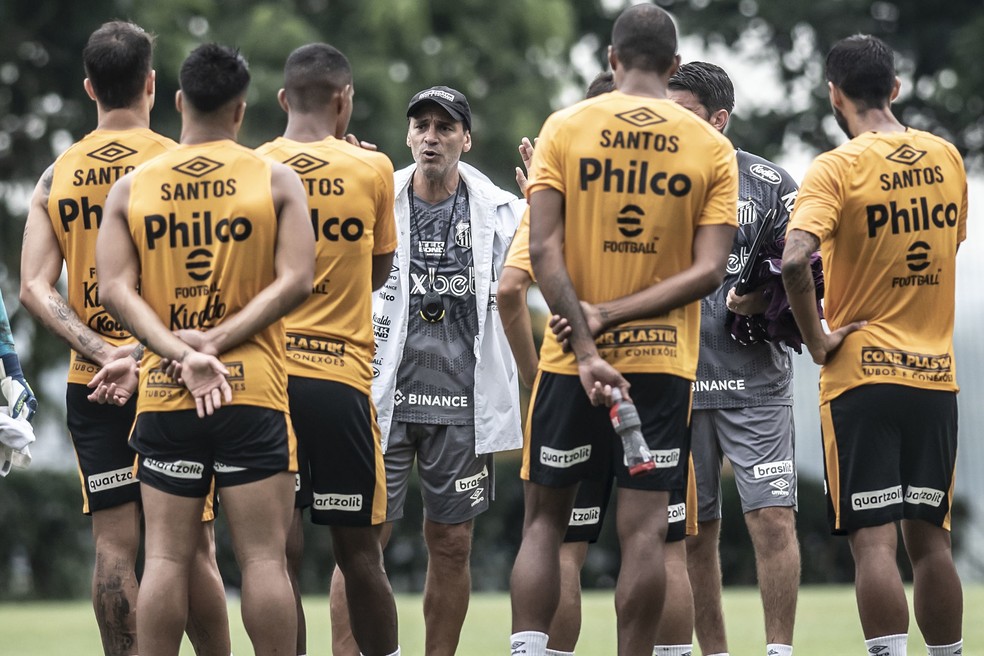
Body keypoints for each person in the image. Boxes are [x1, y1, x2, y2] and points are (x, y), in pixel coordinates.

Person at [509, 3, 739, 654]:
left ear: (611, 60)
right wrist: (619, 314)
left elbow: (543, 249)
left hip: (565, 362)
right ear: (672, 67)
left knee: (545, 528)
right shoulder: (710, 147)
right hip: (663, 365)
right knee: (646, 534)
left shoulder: (566, 126)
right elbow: (710, 270)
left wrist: (587, 339)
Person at [18, 22, 229, 656]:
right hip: (172, 376)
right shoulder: (180, 165)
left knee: (115, 547)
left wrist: (104, 351)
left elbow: (34, 286)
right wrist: (146, 351)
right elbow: (210, 281)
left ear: (88, 87)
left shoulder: (59, 174)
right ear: (152, 84)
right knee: (192, 547)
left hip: (94, 384)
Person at [95, 42, 314, 656]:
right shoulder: (274, 178)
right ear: (242, 111)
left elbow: (114, 290)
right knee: (265, 559)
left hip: (167, 393)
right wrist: (216, 343)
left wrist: (180, 350)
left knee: (164, 557)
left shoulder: (132, 186)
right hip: (252, 390)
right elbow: (298, 279)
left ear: (177, 101)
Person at [782, 34, 965, 656]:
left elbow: (794, 259)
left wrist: (818, 339)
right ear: (894, 88)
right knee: (931, 542)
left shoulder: (835, 168)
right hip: (935, 379)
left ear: (835, 95)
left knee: (874, 542)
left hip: (861, 379)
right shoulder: (946, 158)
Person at [330, 83, 524, 656]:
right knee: (360, 544)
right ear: (407, 135)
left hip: (463, 407)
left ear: (466, 138)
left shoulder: (502, 208)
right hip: (379, 398)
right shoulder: (372, 192)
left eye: (444, 127)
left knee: (452, 543)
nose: (431, 137)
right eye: (421, 126)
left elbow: (548, 268)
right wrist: (338, 172)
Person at [255, 42, 400, 656]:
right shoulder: (374, 170)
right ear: (345, 100)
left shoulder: (252, 167)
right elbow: (376, 273)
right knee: (360, 555)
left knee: (276, 558)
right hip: (339, 384)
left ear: (284, 99)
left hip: (265, 384)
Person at [666, 61, 801, 656]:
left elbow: (812, 275)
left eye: (688, 115)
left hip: (758, 386)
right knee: (695, 533)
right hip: (678, 383)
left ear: (720, 120)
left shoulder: (772, 182)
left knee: (773, 521)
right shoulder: (652, 179)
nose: (675, 125)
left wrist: (765, 295)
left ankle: (778, 651)